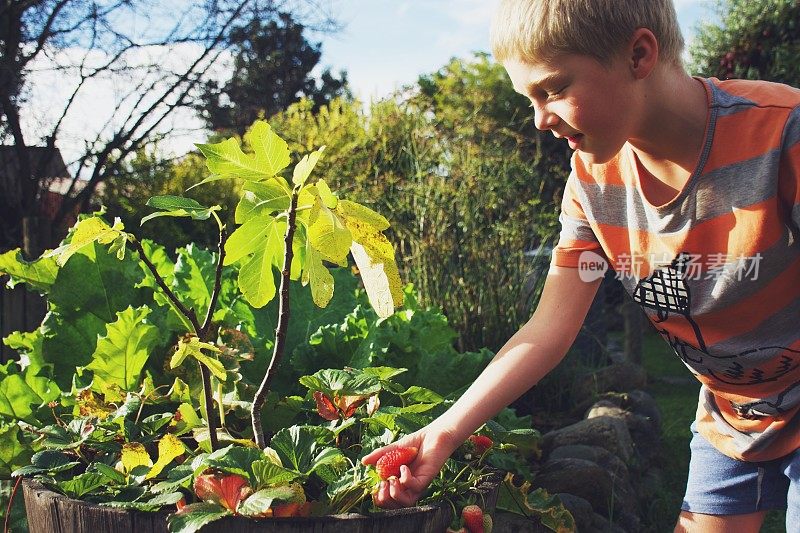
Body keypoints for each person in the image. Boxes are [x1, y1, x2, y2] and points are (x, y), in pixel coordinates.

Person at [361, 0, 800, 531]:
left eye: (553, 89)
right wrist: (445, 432)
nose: (541, 119)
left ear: (639, 54)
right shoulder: (593, 188)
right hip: (732, 418)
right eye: (530, 99)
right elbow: (548, 330)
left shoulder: (781, 134)